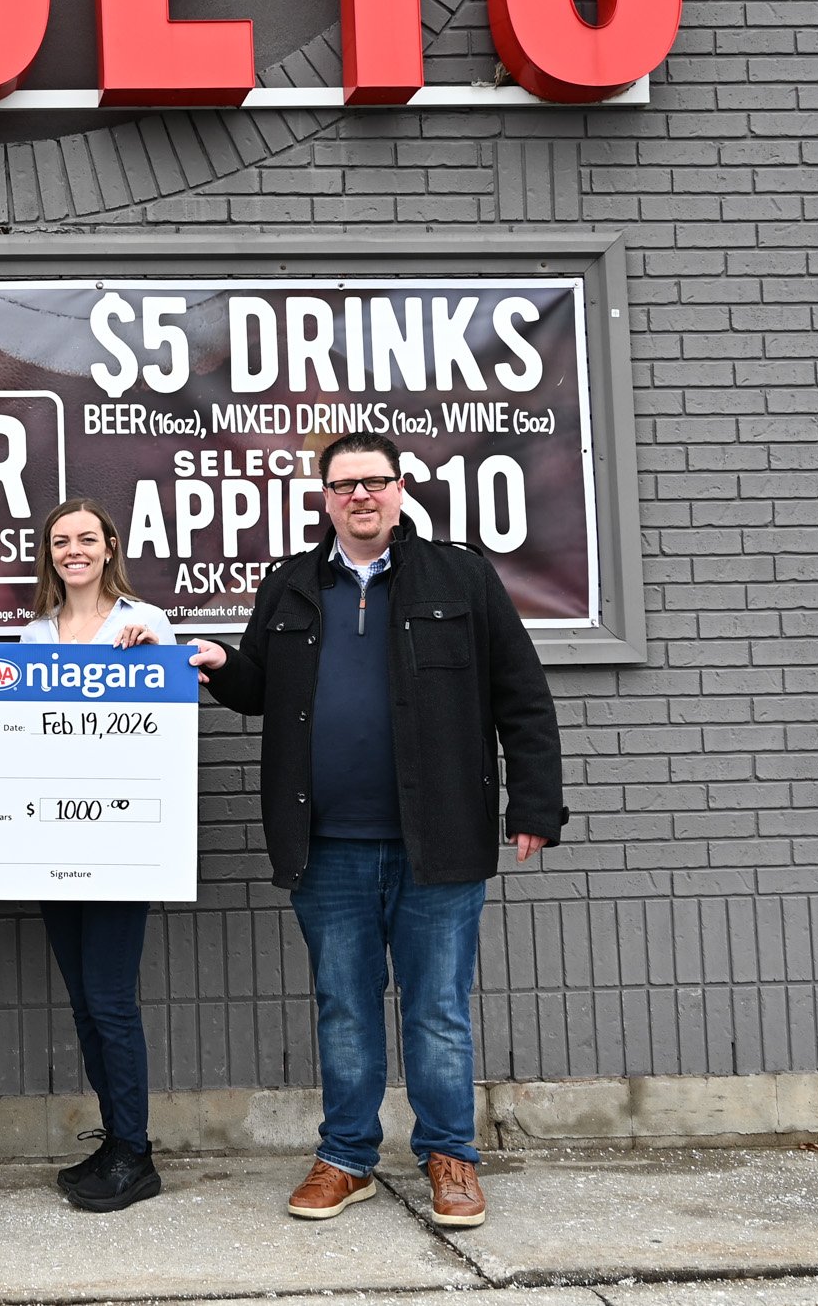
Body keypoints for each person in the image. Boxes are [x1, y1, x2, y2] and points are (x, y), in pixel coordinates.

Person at [188, 432, 565, 1229]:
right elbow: (257, 690)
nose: (360, 496)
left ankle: (449, 1156)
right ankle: (347, 1158)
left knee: (437, 1009)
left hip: (441, 841)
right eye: (344, 485)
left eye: (375, 482)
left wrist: (534, 804)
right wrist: (220, 662)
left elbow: (521, 695)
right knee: (345, 1007)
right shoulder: (291, 584)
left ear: (400, 489)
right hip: (325, 845)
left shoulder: (460, 577)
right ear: (324, 499)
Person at [19, 497, 173, 1213]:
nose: (73, 550)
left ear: (110, 546)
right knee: (84, 1002)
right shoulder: (34, 633)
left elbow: (171, 722)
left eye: (86, 538)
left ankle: (136, 1153)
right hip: (52, 840)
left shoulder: (141, 625)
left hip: (119, 842)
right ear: (49, 554)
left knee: (111, 1000)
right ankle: (115, 1140)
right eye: (60, 541)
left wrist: (155, 661)